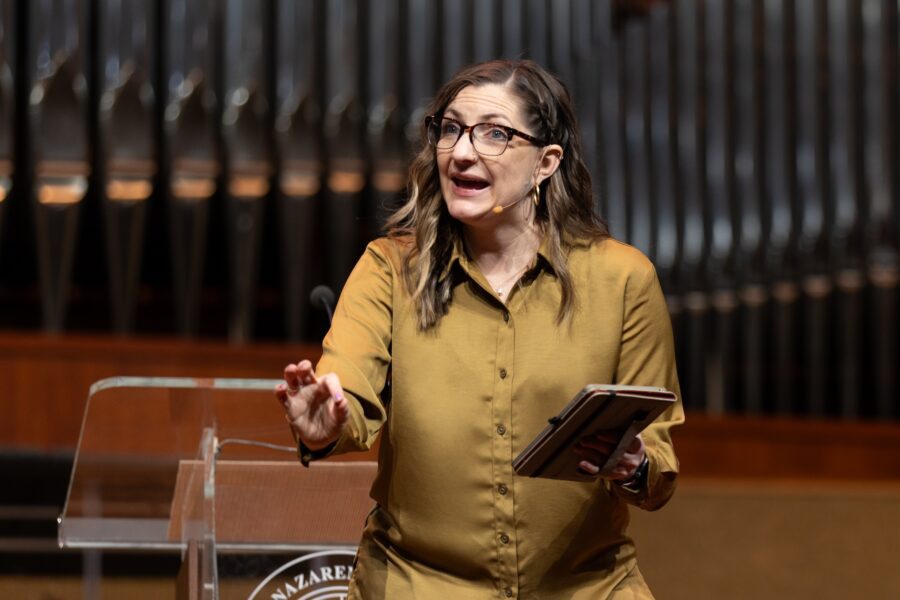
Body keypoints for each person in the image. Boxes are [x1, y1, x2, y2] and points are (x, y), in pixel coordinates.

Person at [275, 59, 684, 599]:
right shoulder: (390, 269)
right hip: (417, 586)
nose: (462, 151)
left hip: (584, 589)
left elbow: (657, 466)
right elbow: (345, 387)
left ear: (546, 162)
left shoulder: (624, 279)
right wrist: (321, 426)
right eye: (451, 128)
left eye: (495, 133)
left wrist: (633, 467)